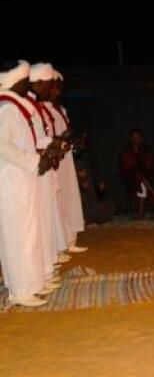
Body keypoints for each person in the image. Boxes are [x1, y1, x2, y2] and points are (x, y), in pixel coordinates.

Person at [0, 60, 51, 307]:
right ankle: (20, 291)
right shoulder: (7, 110)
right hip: (11, 181)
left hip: (22, 179)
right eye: (24, 81)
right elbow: (2, 147)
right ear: (18, 82)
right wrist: (33, 161)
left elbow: (25, 142)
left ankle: (28, 286)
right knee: (17, 235)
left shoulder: (15, 109)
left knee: (27, 232)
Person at [27, 63, 71, 289]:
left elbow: (41, 137)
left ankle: (46, 268)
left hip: (41, 165)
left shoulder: (33, 108)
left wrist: (57, 143)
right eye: (50, 85)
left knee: (45, 219)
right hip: (27, 171)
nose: (53, 89)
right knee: (32, 225)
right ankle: (32, 280)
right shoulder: (13, 108)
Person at [43, 68, 88, 253]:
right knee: (57, 201)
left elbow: (65, 136)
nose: (58, 92)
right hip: (53, 162)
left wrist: (76, 142)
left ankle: (70, 240)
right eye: (55, 88)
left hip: (66, 161)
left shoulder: (61, 110)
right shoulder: (43, 111)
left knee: (69, 198)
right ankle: (59, 245)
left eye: (60, 88)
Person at [118, 128, 154, 218]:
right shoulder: (126, 151)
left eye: (138, 137)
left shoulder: (146, 149)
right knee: (139, 176)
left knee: (141, 180)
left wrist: (143, 171)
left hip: (144, 176)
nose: (136, 139)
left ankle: (141, 212)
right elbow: (127, 166)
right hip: (129, 176)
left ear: (141, 139)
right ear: (131, 138)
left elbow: (149, 164)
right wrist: (137, 172)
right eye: (134, 137)